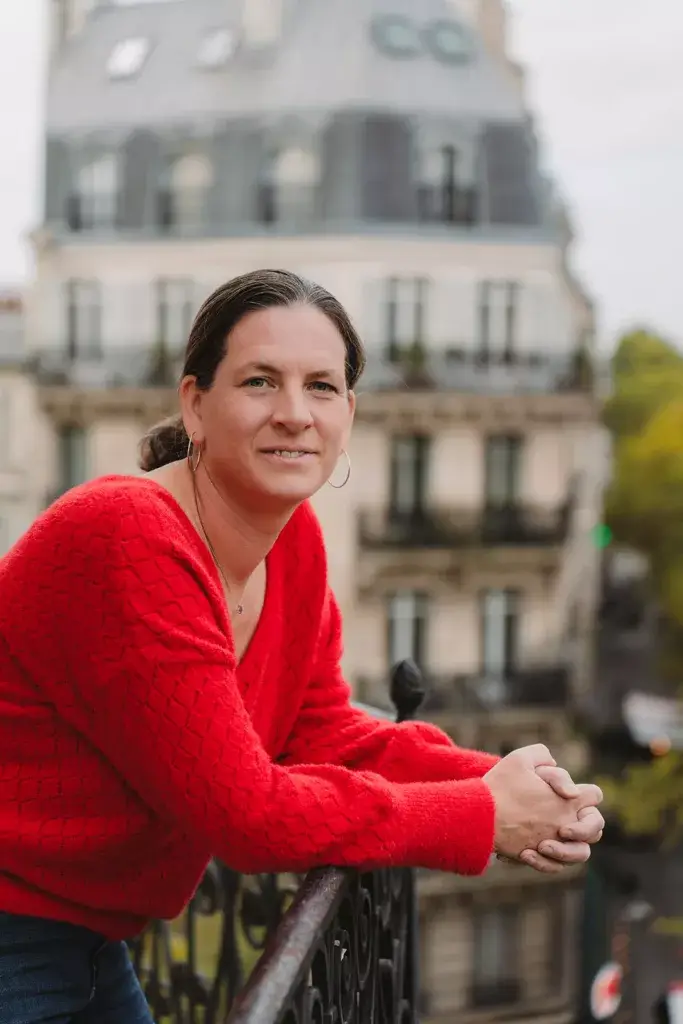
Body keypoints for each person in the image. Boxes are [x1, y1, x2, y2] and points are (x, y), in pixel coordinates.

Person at [0, 269, 604, 1023]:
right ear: (195, 404)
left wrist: (506, 784)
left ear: (348, 412)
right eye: (259, 382)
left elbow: (320, 732)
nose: (294, 413)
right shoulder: (128, 534)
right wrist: (478, 815)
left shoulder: (292, 545)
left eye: (321, 386)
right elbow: (248, 814)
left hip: (83, 937)